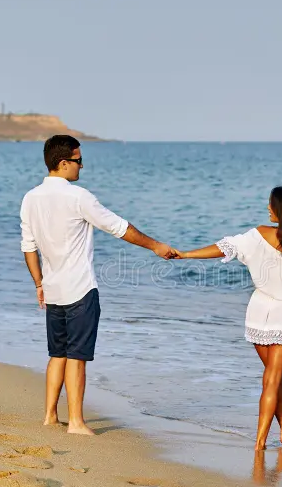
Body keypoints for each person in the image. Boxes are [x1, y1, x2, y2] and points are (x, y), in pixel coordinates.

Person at [20, 135, 175, 435]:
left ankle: (50, 416)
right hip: (80, 290)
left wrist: (39, 283)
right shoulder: (79, 197)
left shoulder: (30, 198)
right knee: (77, 357)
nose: (82, 166)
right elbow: (120, 227)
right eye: (78, 161)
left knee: (57, 354)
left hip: (52, 289)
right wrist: (155, 246)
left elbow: (28, 246)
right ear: (63, 163)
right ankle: (76, 422)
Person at [172, 185, 282, 450]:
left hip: (258, 310)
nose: (268, 208)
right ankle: (260, 443)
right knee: (272, 379)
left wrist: (187, 254)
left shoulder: (259, 235)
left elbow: (225, 248)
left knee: (270, 378)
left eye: (271, 204)